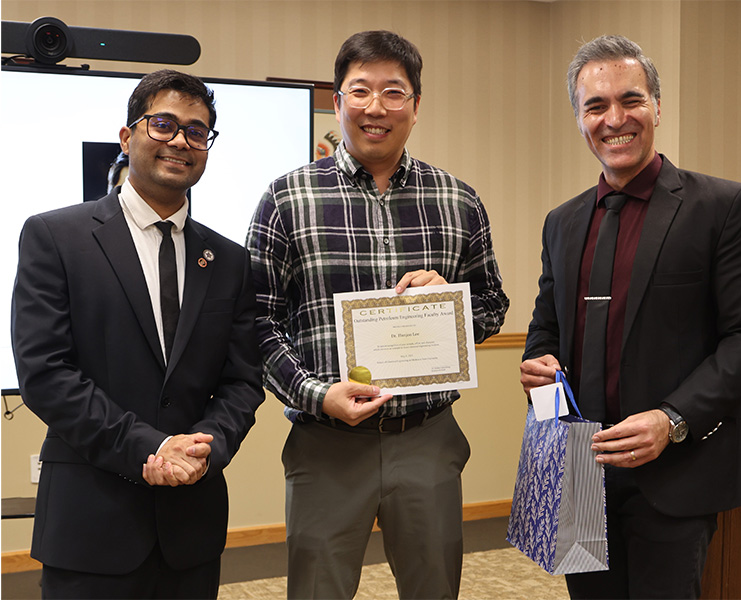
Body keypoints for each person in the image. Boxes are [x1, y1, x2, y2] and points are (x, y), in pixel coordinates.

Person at [247, 30, 509, 600]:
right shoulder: (287, 198)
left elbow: (492, 307)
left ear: (415, 105)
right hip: (326, 441)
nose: (376, 107)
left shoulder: (457, 199)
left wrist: (449, 302)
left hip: (427, 438)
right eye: (359, 91)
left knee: (434, 589)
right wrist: (316, 394)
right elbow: (256, 322)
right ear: (338, 102)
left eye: (394, 92)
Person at [520, 35, 741, 599]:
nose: (615, 119)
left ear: (657, 107)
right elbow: (546, 328)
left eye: (630, 100)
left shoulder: (723, 207)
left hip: (677, 471)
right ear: (578, 119)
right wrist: (535, 364)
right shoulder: (561, 223)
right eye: (595, 106)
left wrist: (672, 419)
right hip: (580, 476)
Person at [11, 69, 265, 599]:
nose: (180, 140)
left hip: (190, 529)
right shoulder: (55, 237)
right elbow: (45, 374)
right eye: (164, 124)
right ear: (128, 137)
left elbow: (243, 381)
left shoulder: (230, 261)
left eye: (197, 132)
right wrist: (152, 448)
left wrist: (207, 448)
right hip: (89, 526)